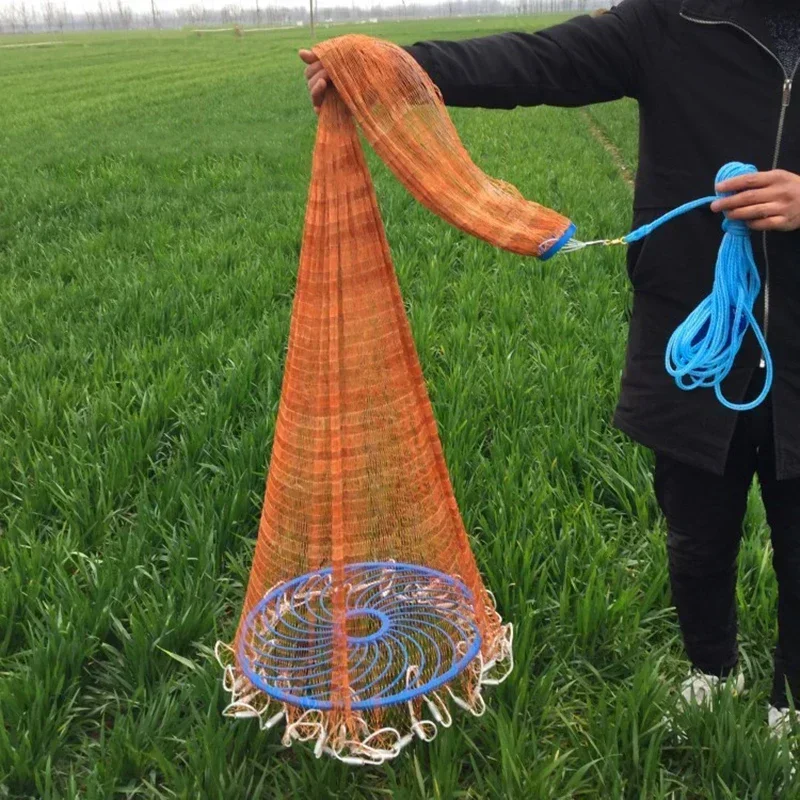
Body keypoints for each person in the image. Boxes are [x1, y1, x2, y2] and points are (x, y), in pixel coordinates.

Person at [299, 0, 800, 734]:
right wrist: (392, 68)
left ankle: (791, 704)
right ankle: (713, 671)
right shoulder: (667, 24)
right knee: (698, 534)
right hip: (694, 345)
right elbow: (536, 61)